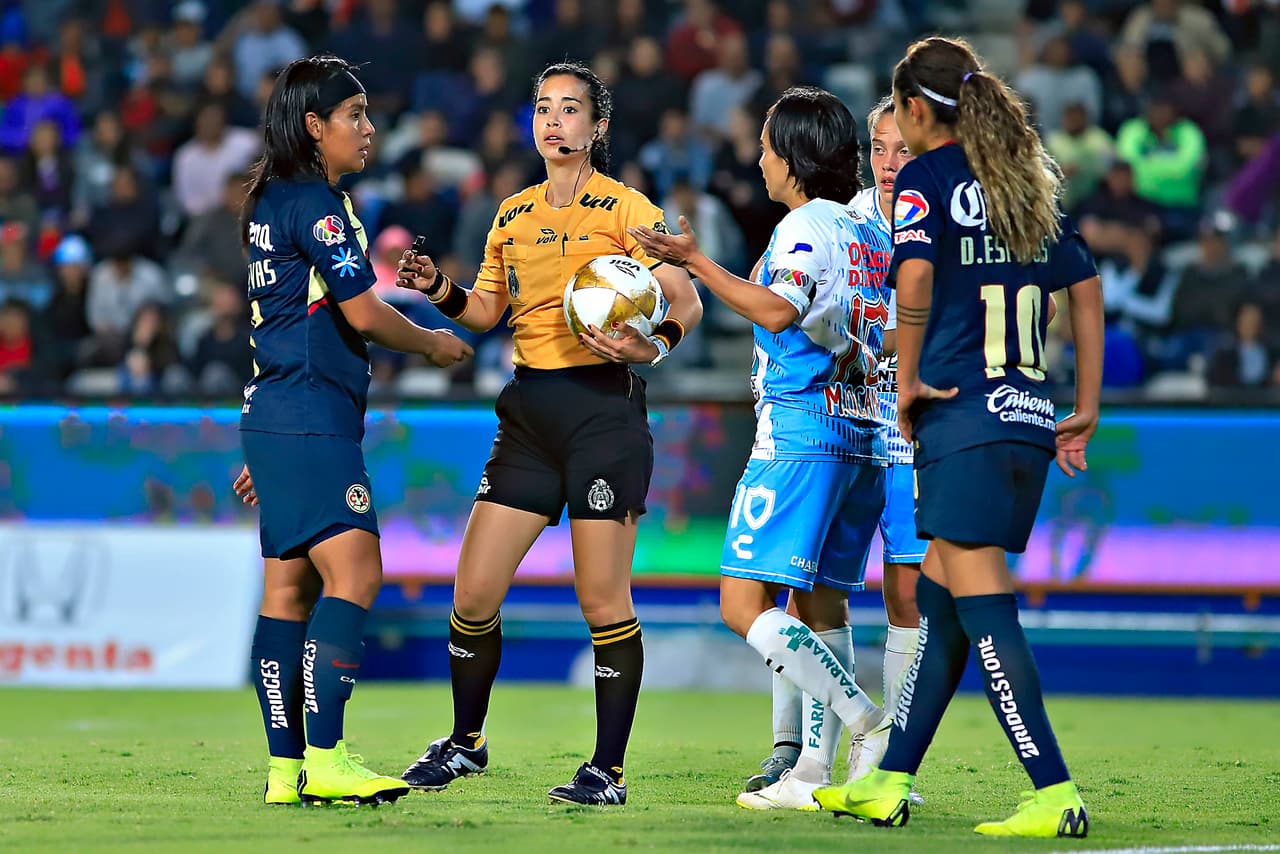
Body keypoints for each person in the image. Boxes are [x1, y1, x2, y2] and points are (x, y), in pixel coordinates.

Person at [812, 37, 1103, 839]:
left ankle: (1052, 788)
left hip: (961, 419)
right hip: (1028, 421)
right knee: (940, 603)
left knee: (984, 609)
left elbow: (913, 278)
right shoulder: (1025, 182)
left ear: (912, 110)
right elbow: (1082, 289)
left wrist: (905, 379)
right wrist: (1085, 404)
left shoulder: (927, 180)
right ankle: (890, 779)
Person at [394, 61, 703, 806]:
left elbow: (685, 298)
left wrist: (652, 344)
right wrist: (438, 289)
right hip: (529, 416)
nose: (553, 121)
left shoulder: (629, 209)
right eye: (542, 109)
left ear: (598, 126)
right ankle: (466, 743)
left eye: (570, 110)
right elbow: (484, 312)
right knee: (472, 594)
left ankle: (608, 771)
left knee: (602, 600)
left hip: (604, 414)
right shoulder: (511, 213)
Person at [631, 86, 893, 810]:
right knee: (819, 607)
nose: (759, 157)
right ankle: (811, 774)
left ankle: (866, 721)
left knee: (741, 601)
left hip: (800, 433)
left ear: (798, 157)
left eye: (769, 146)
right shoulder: (866, 230)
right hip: (860, 432)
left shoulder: (804, 224)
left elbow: (780, 308)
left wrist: (699, 263)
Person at [231, 55, 472, 808]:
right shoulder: (320, 208)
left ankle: (284, 770)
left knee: (287, 589)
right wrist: (436, 341)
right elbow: (365, 313)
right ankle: (328, 757)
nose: (368, 130)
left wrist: (277, 452)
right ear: (315, 126)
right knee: (357, 573)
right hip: (310, 417)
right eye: (354, 116)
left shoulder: (268, 201)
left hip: (275, 418)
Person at [739, 95, 926, 799]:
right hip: (851, 417)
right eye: (879, 148)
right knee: (807, 594)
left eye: (902, 149)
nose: (888, 163)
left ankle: (883, 760)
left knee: (902, 594)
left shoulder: (933, 220)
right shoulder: (846, 218)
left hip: (897, 429)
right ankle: (799, 753)